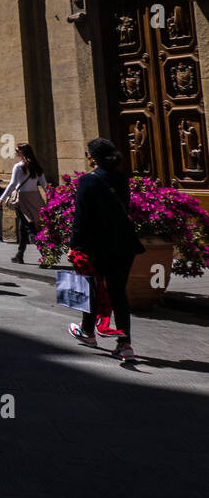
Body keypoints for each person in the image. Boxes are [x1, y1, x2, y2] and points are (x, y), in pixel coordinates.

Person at [68, 138, 143, 361]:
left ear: (93, 157)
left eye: (87, 153)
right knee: (118, 292)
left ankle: (88, 332)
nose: (87, 156)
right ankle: (124, 344)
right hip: (123, 244)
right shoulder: (121, 178)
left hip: (96, 244)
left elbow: (80, 217)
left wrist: (74, 245)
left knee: (90, 288)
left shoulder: (87, 181)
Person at [0, 142, 49, 263]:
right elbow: (44, 184)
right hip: (35, 197)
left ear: (22, 152)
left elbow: (13, 184)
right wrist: (52, 196)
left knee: (30, 228)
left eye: (17, 150)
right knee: (23, 227)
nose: (15, 153)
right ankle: (20, 254)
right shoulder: (36, 166)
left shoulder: (18, 166)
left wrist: (1, 199)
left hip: (23, 198)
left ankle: (46, 254)